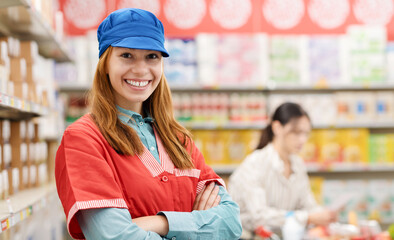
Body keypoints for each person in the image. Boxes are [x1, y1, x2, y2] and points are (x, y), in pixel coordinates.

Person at [55, 8, 242, 240]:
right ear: (105, 63)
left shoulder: (178, 139)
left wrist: (160, 223)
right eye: (126, 55)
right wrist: (196, 227)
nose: (141, 69)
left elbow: (231, 223)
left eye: (152, 56)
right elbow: (115, 236)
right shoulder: (84, 139)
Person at [228, 102, 336, 235]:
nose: (302, 140)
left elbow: (308, 205)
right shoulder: (254, 164)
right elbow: (259, 216)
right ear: (277, 127)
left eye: (306, 133)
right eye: (296, 132)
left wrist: (324, 215)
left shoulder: (297, 164)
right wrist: (307, 218)